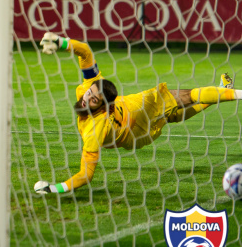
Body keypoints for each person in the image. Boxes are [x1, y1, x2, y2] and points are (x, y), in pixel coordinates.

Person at [33, 32, 240, 195]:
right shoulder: (94, 115)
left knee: (174, 113)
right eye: (90, 95)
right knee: (183, 98)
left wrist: (61, 42)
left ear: (104, 105)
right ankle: (227, 91)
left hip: (138, 126)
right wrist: (59, 41)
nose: (86, 98)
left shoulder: (94, 115)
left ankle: (227, 90)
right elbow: (85, 175)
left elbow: (85, 175)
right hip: (137, 120)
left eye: (92, 98)